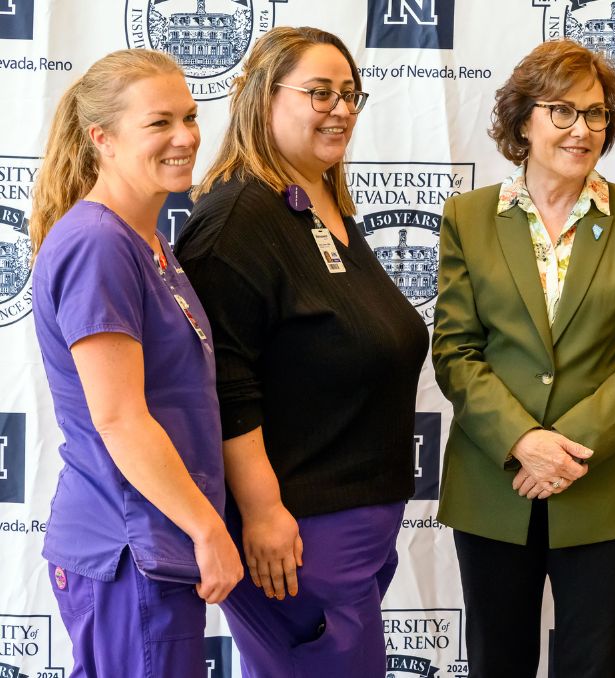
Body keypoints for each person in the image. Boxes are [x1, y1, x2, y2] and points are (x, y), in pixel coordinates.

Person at [174, 27, 428, 678]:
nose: (341, 108)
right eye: (320, 93)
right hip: (297, 534)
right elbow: (225, 381)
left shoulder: (318, 207)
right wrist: (261, 513)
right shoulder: (237, 220)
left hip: (353, 526)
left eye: (349, 94)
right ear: (263, 100)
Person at [431, 39, 615, 678]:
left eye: (595, 114)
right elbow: (456, 351)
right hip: (495, 481)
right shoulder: (468, 216)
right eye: (562, 112)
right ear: (523, 122)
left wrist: (563, 447)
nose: (582, 129)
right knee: (497, 661)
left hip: (598, 483)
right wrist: (522, 441)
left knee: (594, 665)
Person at [29, 50, 243, 677]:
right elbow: (121, 418)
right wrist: (209, 532)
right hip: (128, 551)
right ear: (102, 138)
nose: (186, 137)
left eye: (191, 117)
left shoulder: (144, 238)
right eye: (159, 123)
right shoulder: (99, 243)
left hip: (154, 546)